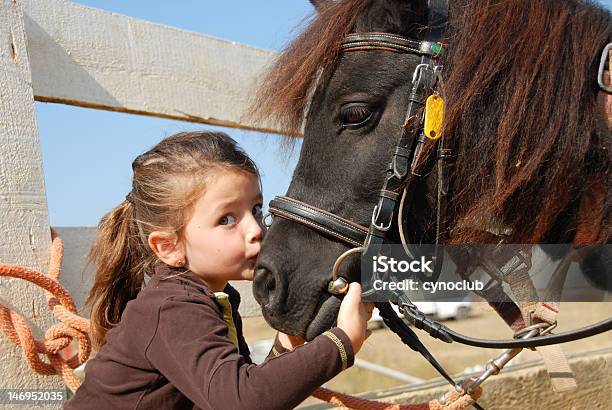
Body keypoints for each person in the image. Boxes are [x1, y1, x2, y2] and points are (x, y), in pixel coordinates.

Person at [65, 131, 372, 410]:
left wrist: (284, 348)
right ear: (168, 247)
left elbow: (229, 389)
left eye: (255, 209)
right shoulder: (173, 307)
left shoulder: (210, 296)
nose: (255, 229)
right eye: (226, 219)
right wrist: (341, 343)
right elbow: (242, 401)